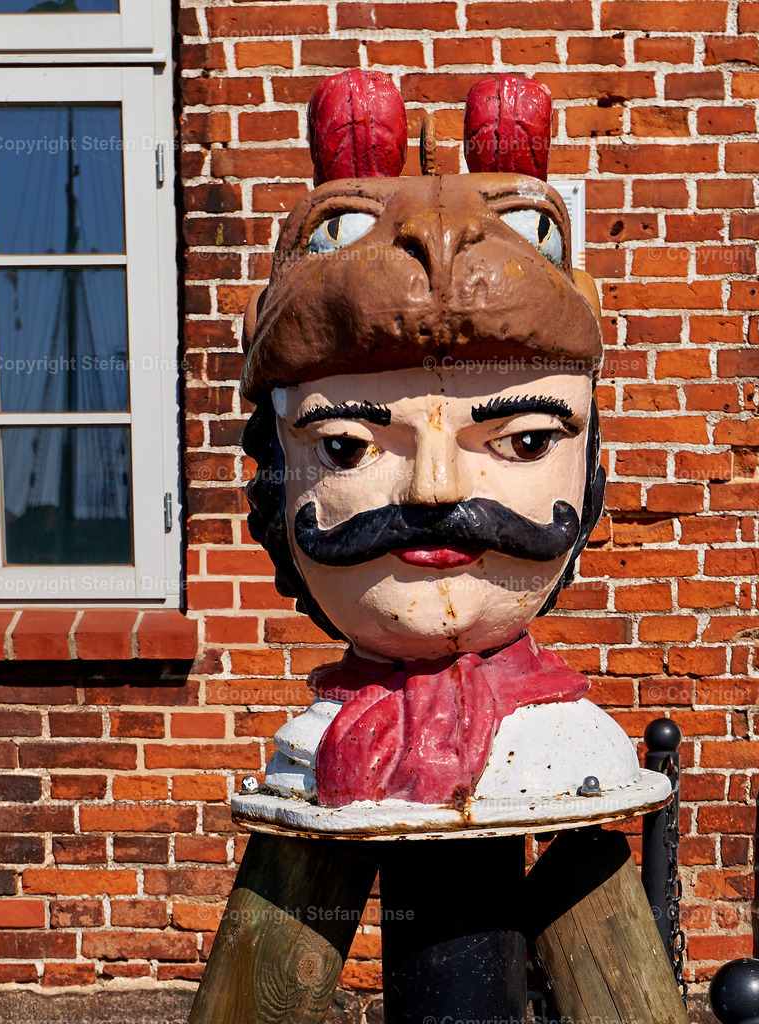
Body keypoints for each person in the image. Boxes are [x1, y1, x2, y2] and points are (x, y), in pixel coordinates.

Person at [237, 71, 644, 816]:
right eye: (346, 448)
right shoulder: (307, 751)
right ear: (276, 466)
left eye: (523, 441)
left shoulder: (570, 747)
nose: (435, 491)